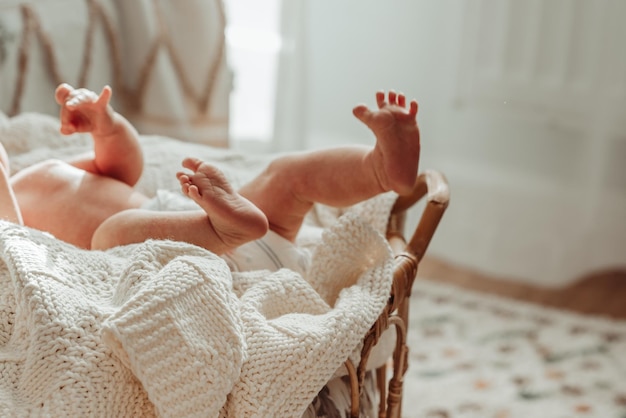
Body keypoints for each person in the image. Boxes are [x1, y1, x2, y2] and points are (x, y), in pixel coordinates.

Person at [0, 83, 420, 270]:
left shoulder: (39, 171)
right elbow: (15, 249)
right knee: (109, 234)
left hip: (219, 229)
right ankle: (223, 229)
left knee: (285, 174)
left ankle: (379, 169)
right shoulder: (8, 217)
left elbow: (122, 169)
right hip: (182, 256)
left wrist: (105, 125)